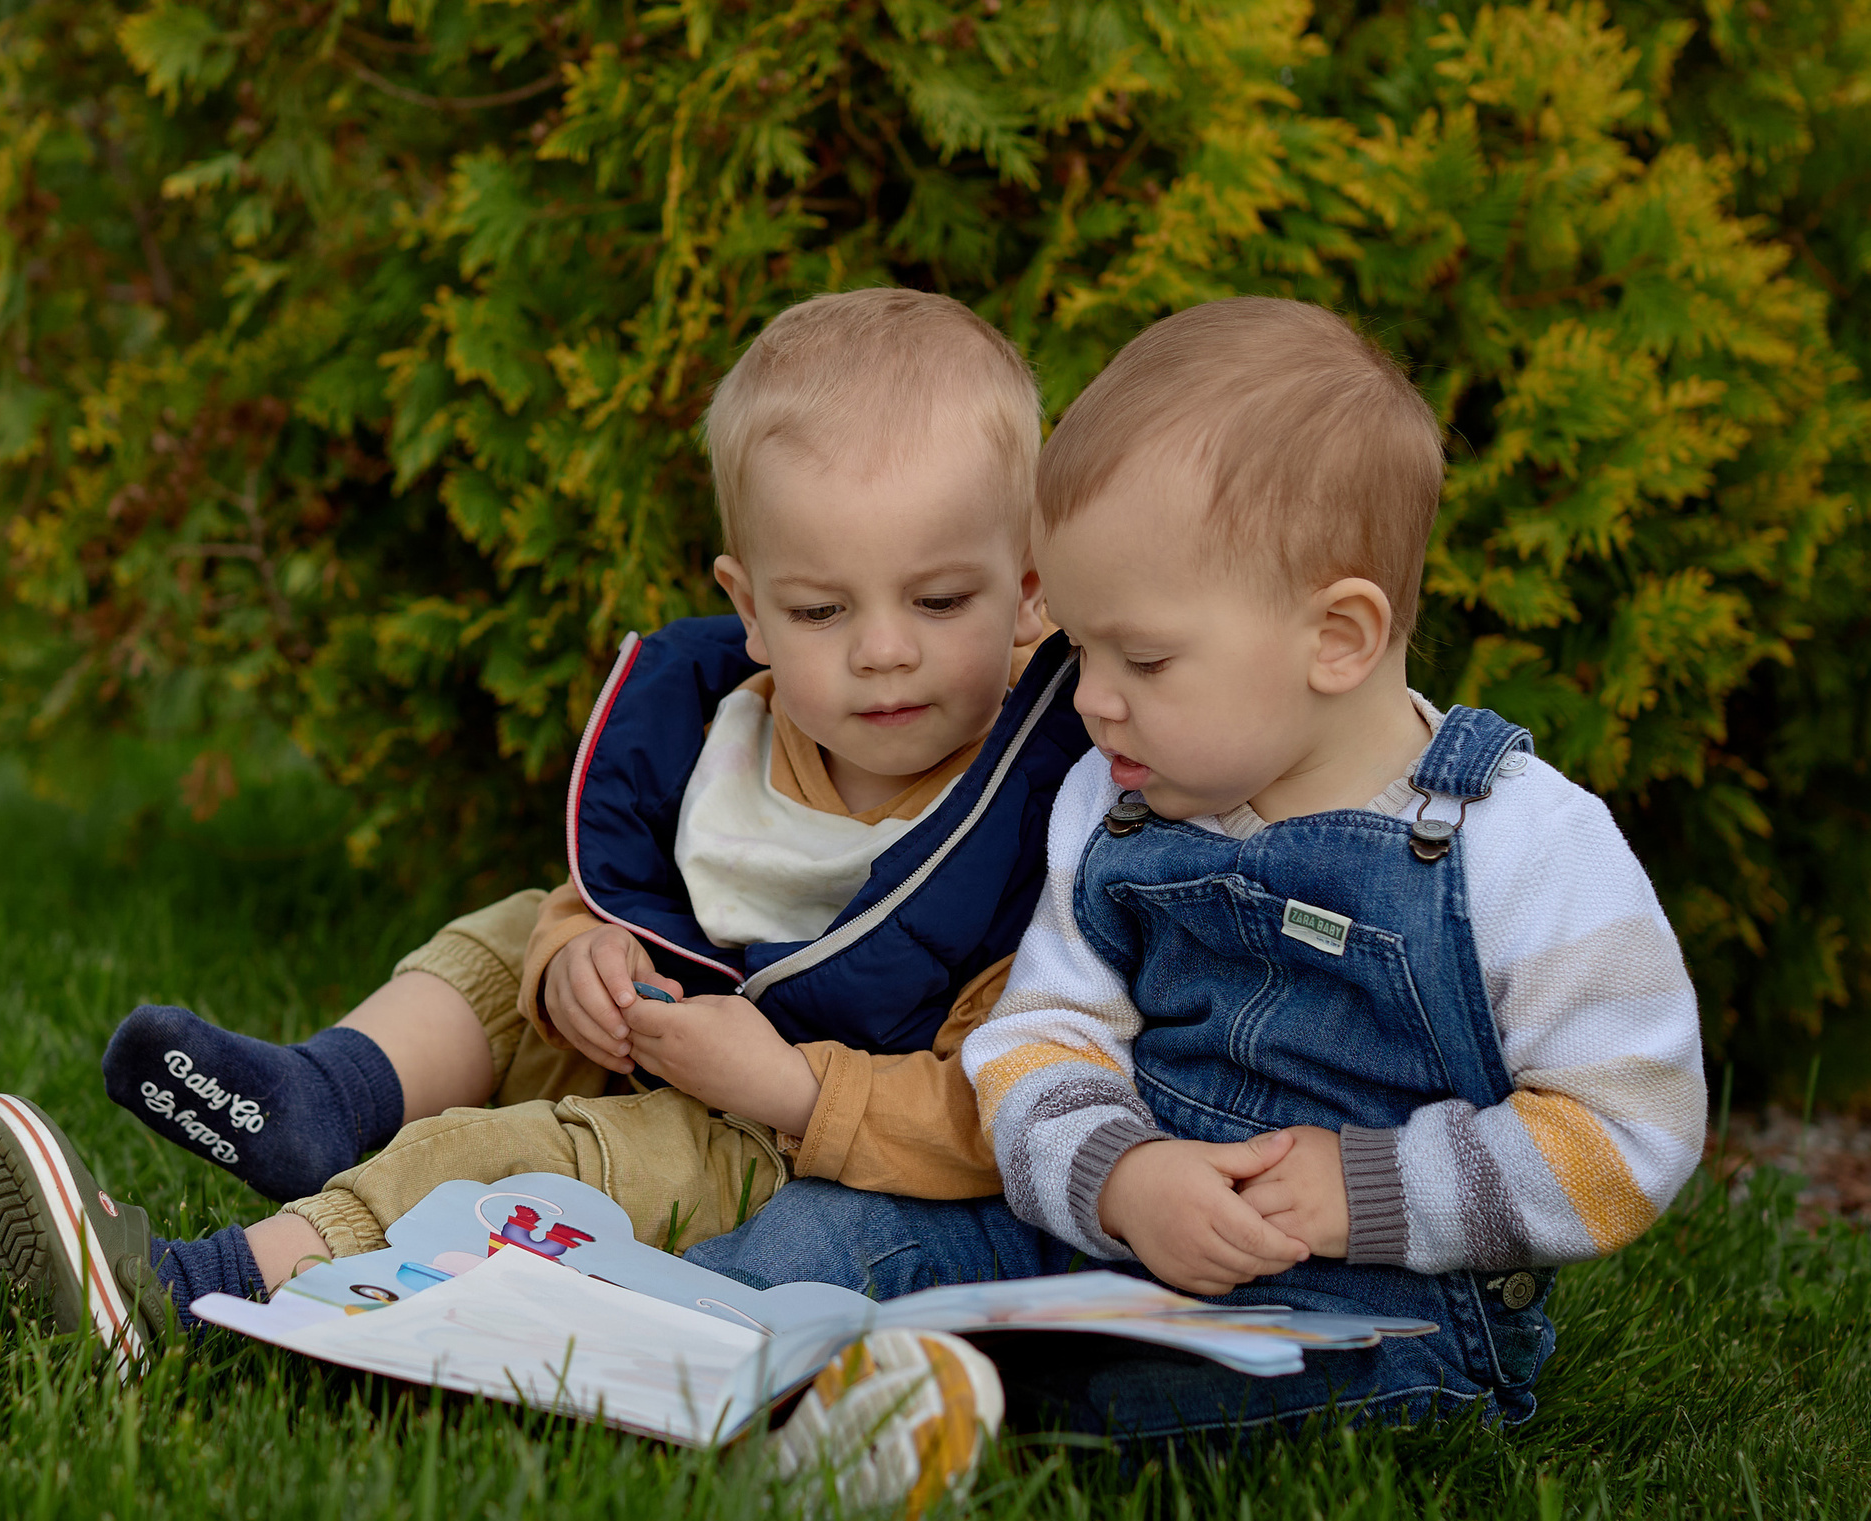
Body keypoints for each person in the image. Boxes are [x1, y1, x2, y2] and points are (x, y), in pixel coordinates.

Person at [0, 287, 1093, 1372]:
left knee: (499, 1157)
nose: (882, 650)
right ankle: (331, 1091)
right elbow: (612, 893)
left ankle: (195, 1287)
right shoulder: (719, 727)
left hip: (766, 1146)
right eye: (821, 610)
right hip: (654, 1033)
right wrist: (575, 957)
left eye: (940, 600)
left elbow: (995, 1113)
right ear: (750, 607)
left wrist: (784, 1086)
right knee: (506, 937)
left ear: (1032, 589)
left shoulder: (1038, 818)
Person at [682, 297, 1708, 1443]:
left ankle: (910, 1417)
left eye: (1144, 658)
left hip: (1368, 1300)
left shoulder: (1520, 845)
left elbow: (1632, 1129)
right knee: (832, 1231)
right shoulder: (1112, 802)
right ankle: (656, 1351)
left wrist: (1359, 1191)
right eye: (1080, 647)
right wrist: (1120, 1177)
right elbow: (1037, 1040)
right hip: (1113, 1228)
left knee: (1147, 1405)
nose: (1088, 698)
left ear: (1336, 639)